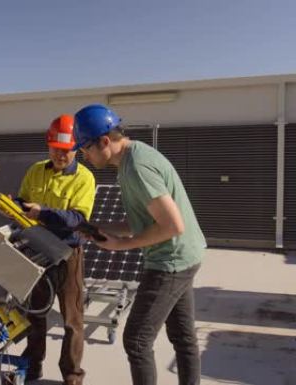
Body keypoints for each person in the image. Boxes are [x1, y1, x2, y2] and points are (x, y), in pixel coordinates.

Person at [73, 104, 206, 385]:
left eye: (85, 148)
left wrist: (122, 245)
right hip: (185, 254)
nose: (83, 156)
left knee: (136, 339)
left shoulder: (137, 168)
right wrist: (101, 229)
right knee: (183, 338)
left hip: (170, 261)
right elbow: (144, 219)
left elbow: (172, 226)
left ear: (105, 142)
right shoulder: (130, 160)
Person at [5, 114, 96, 385]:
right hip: (37, 252)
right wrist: (12, 206)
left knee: (72, 320)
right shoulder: (36, 171)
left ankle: (72, 375)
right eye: (55, 149)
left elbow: (78, 220)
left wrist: (42, 213)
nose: (60, 155)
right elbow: (24, 201)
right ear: (48, 146)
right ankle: (32, 366)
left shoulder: (84, 178)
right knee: (36, 314)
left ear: (76, 149)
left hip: (68, 255)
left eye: (65, 151)